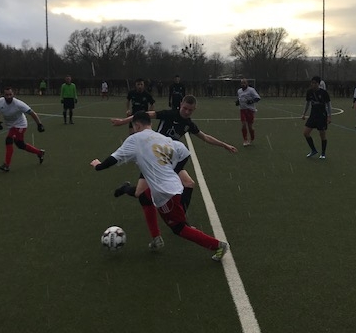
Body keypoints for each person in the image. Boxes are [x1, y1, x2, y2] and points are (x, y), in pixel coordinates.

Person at [91, 111, 229, 261]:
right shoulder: (164, 138)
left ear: (137, 126)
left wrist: (98, 166)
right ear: (150, 124)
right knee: (144, 197)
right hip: (168, 187)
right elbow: (184, 151)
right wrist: (172, 171)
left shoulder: (135, 139)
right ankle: (156, 238)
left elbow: (113, 159)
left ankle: (218, 245)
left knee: (179, 228)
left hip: (166, 193)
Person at [110, 95, 237, 211]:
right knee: (139, 193)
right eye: (185, 108)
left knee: (189, 183)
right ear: (181, 104)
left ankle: (181, 217)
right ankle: (126, 188)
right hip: (153, 157)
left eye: (190, 110)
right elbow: (145, 115)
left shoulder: (188, 124)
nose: (186, 112)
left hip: (169, 159)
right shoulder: (170, 114)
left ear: (194, 109)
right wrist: (123, 121)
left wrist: (224, 145)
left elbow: (205, 137)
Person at [0, 87, 46, 172]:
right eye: (6, 95)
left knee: (9, 140)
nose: (9, 96)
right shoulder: (0, 102)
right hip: (11, 126)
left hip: (20, 125)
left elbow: (32, 113)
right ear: (3, 95)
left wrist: (39, 124)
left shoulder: (19, 104)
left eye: (10, 94)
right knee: (20, 145)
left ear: (13, 94)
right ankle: (39, 153)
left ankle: (6, 165)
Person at [301, 76, 331, 159]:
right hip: (313, 115)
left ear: (318, 84)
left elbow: (328, 105)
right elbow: (307, 103)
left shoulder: (324, 93)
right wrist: (304, 113)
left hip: (322, 115)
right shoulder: (309, 92)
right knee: (306, 133)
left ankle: (323, 153)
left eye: (315, 83)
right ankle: (313, 150)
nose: (313, 84)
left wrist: (329, 116)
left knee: (322, 134)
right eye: (312, 83)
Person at [236, 78, 261, 146]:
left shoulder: (251, 90)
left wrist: (251, 101)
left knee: (250, 127)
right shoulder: (239, 91)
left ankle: (252, 137)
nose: (243, 84)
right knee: (243, 125)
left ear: (247, 83)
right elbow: (240, 98)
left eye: (244, 83)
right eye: (242, 83)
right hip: (242, 110)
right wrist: (238, 102)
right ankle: (245, 140)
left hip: (250, 110)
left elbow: (258, 98)